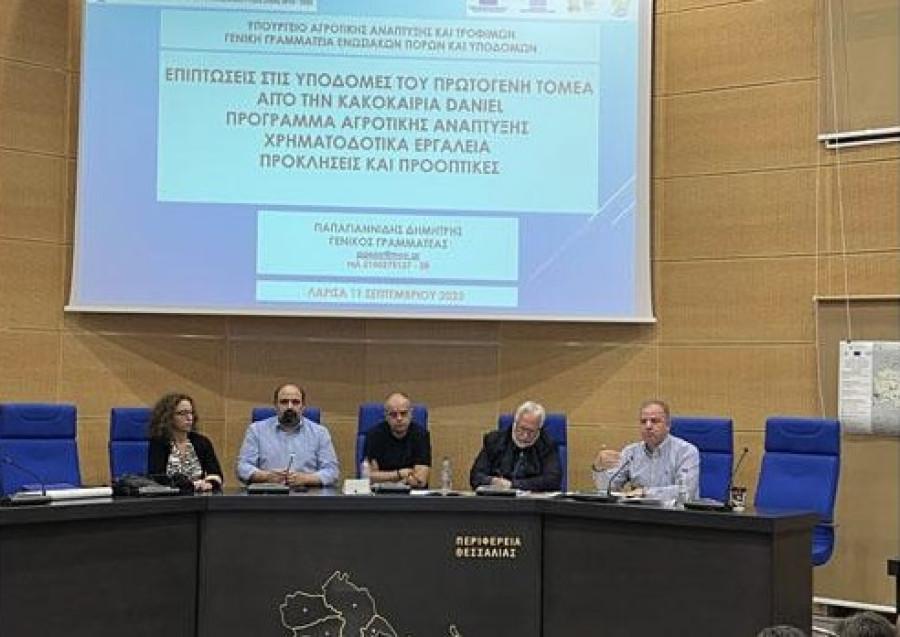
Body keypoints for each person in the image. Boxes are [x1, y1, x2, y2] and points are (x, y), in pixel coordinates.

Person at [592, 399, 699, 499]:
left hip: (675, 512)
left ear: (668, 425)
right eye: (643, 421)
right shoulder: (630, 453)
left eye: (654, 421)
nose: (648, 426)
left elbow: (686, 492)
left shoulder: (686, 452)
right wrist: (599, 468)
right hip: (638, 511)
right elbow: (607, 489)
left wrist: (645, 492)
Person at [236, 383, 339, 487]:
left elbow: (332, 472)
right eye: (284, 402)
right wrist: (267, 476)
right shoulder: (256, 430)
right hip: (268, 493)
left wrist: (306, 479)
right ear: (276, 406)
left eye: (295, 402)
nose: (290, 407)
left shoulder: (320, 433)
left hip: (307, 493)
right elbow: (242, 468)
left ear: (303, 406)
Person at [469, 401, 561, 492]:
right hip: (499, 499)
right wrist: (492, 481)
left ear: (539, 429)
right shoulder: (494, 441)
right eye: (522, 428)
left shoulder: (547, 445)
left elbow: (553, 480)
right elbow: (476, 477)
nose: (525, 435)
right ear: (515, 422)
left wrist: (512, 485)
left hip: (532, 500)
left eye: (531, 431)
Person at [147, 392, 223, 492]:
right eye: (182, 413)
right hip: (171, 497)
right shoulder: (159, 443)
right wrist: (189, 485)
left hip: (199, 496)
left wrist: (209, 483)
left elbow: (216, 474)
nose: (189, 418)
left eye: (191, 413)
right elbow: (157, 478)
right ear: (168, 417)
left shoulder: (202, 442)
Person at [362, 392, 431, 487]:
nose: (399, 418)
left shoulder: (421, 435)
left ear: (411, 413)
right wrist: (400, 474)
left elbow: (420, 481)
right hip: (381, 493)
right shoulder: (374, 435)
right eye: (393, 414)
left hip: (412, 494)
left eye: (403, 413)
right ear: (386, 416)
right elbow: (370, 477)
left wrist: (385, 477)